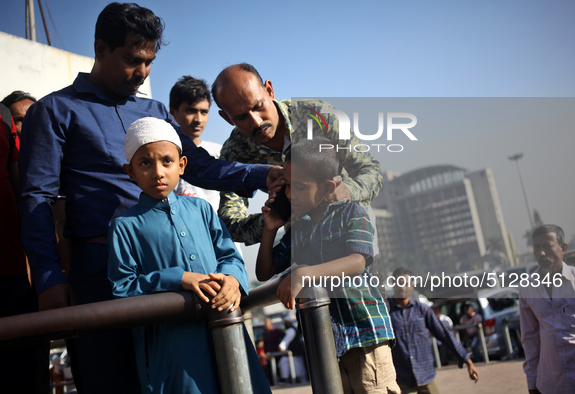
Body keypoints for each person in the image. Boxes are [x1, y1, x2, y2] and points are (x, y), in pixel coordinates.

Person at [18, 4, 279, 393]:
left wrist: (267, 174)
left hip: (179, 268)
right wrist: (48, 277)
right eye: (132, 59)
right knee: (113, 380)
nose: (141, 72)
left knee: (193, 378)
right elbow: (35, 198)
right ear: (100, 48)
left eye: (149, 62)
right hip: (101, 273)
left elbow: (202, 167)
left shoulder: (155, 110)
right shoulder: (55, 111)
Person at [107, 117, 270, 394]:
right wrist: (177, 278)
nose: (158, 172)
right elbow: (122, 288)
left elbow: (230, 256)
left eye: (167, 161)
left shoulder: (201, 210)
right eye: (145, 163)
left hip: (225, 325)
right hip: (173, 344)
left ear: (182, 165)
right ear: (130, 171)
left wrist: (232, 281)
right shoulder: (124, 226)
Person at [256, 137, 400, 394]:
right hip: (328, 343)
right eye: (287, 186)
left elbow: (357, 261)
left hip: (365, 334)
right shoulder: (298, 229)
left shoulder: (353, 213)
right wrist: (269, 230)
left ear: (326, 187)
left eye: (299, 187)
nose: (290, 195)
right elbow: (264, 272)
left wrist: (304, 273)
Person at [212, 63, 383, 246]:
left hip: (351, 231)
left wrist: (348, 191)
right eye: (241, 117)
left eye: (259, 106)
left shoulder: (319, 118)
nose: (256, 121)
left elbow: (371, 170)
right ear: (227, 118)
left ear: (269, 90)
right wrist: (275, 217)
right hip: (301, 243)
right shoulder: (235, 152)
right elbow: (230, 222)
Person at [0, 103, 50, 393]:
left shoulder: (3, 117)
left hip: (13, 271)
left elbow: (26, 194)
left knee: (26, 376)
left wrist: (37, 266)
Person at [519, 224, 575, 394]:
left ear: (563, 248)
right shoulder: (528, 288)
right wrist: (532, 382)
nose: (541, 253)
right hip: (551, 385)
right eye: (537, 247)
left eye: (547, 246)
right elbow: (530, 340)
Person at [389, 268, 479, 394]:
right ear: (393, 284)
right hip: (402, 379)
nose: (403, 287)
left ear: (412, 285)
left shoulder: (422, 310)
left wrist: (467, 360)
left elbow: (444, 334)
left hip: (426, 376)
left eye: (406, 283)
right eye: (399, 283)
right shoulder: (386, 312)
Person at [169, 76, 221, 204]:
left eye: (204, 112)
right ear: (173, 113)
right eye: (191, 111)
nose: (198, 119)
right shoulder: (162, 155)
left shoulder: (219, 153)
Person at [277, 318, 307, 384]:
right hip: (296, 352)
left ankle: (286, 379)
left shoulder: (291, 330)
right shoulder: (294, 329)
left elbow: (287, 340)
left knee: (284, 362)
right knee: (300, 370)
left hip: (294, 353)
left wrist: (282, 346)